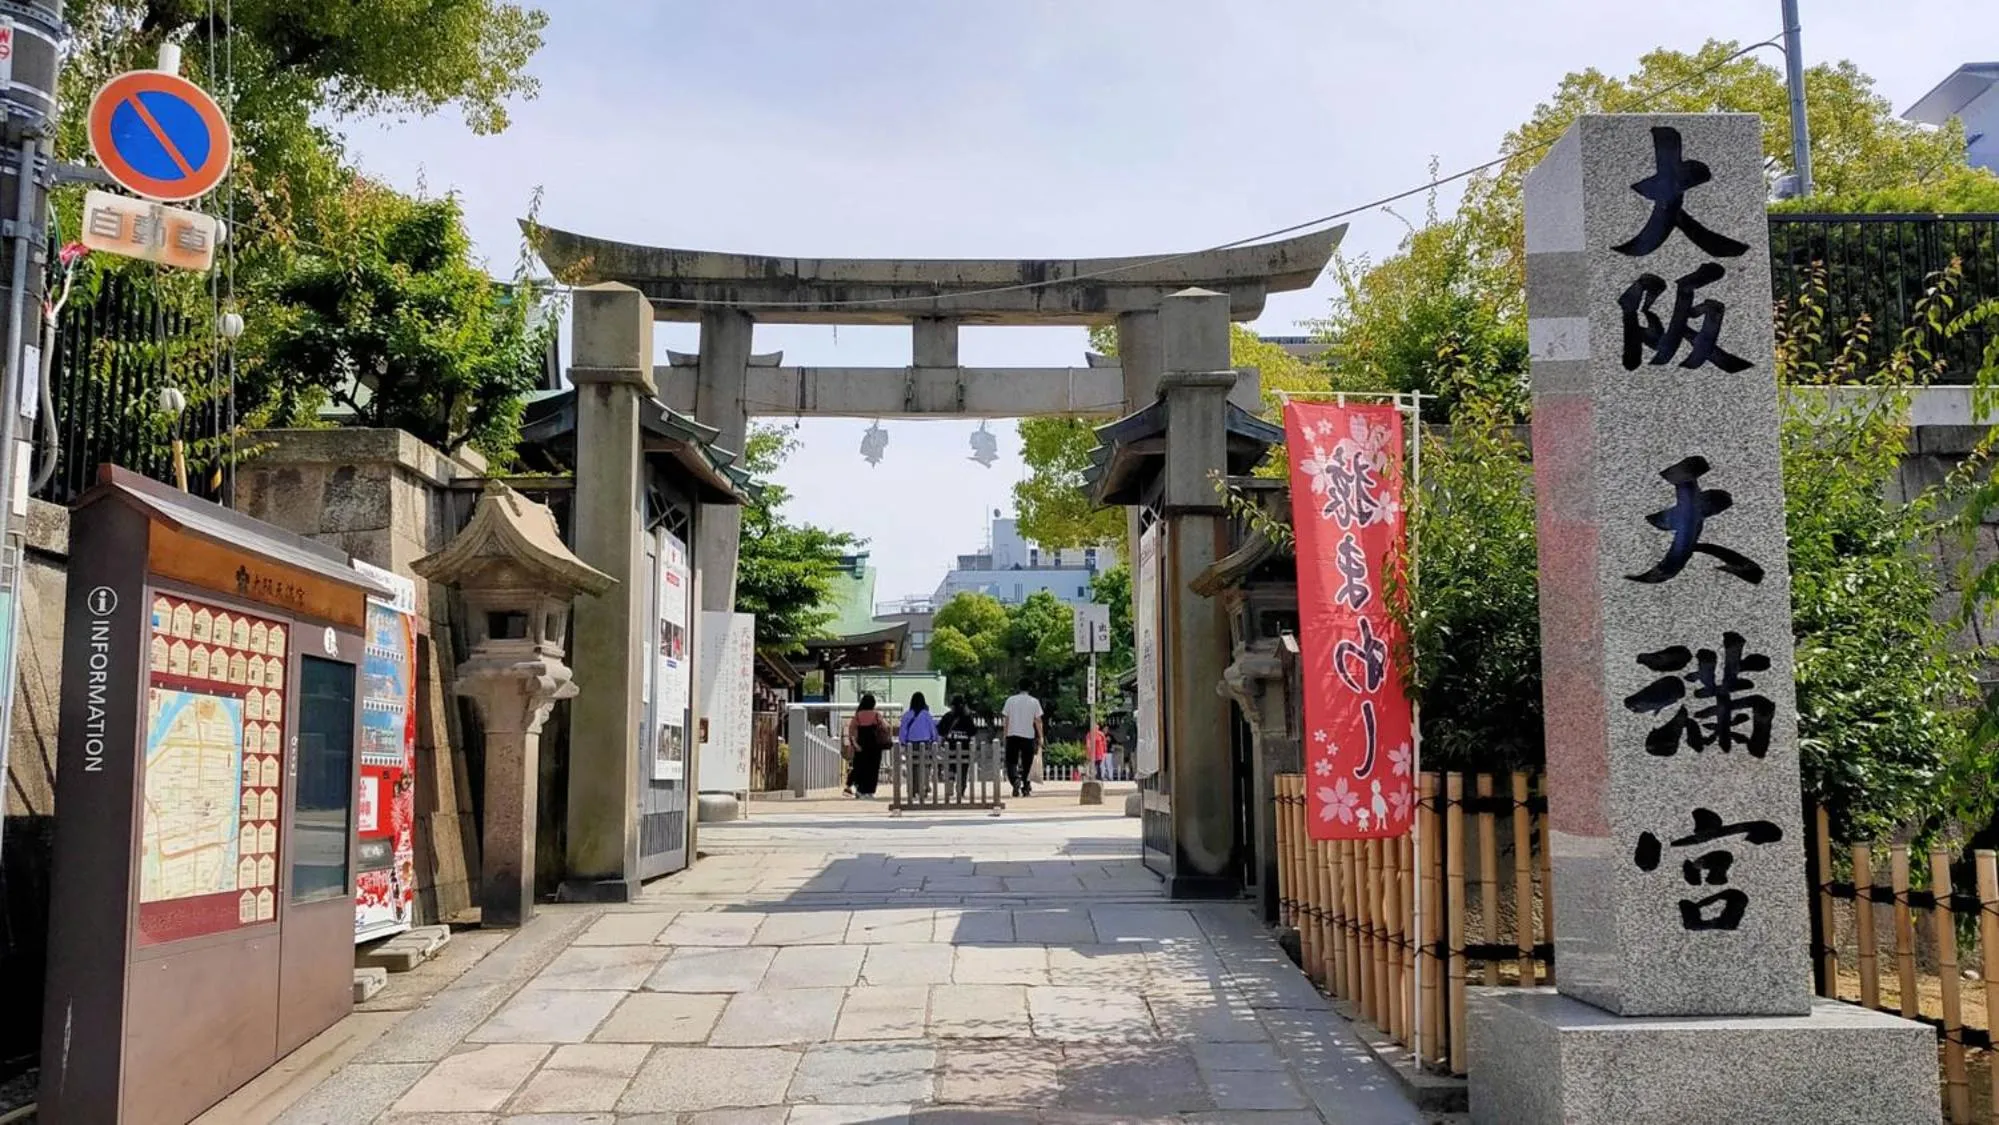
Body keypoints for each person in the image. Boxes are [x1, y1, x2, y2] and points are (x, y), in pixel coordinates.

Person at [1001, 680, 1044, 798]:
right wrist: (1041, 736)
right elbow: (1038, 721)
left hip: (1012, 734)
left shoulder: (1010, 700)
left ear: (1018, 688)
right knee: (1027, 763)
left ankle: (1015, 780)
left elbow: (1006, 720)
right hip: (1028, 736)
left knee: (1011, 761)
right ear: (1029, 689)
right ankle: (1026, 787)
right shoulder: (1034, 701)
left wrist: (1005, 735)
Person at [845, 693, 891, 799]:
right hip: (875, 747)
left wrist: (855, 745)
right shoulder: (876, 715)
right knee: (873, 769)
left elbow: (851, 731)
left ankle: (861, 790)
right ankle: (870, 791)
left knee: (861, 768)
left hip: (861, 746)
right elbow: (885, 727)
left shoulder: (858, 716)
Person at [936, 694, 979, 800]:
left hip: (950, 747)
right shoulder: (967, 718)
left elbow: (940, 730)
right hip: (964, 748)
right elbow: (973, 732)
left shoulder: (947, 716)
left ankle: (950, 781)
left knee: (950, 766)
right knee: (963, 770)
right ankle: (961, 789)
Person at [899, 691, 940, 799]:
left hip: (911, 744)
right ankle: (924, 787)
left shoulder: (907, 715)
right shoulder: (926, 715)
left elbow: (903, 731)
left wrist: (903, 742)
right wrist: (935, 740)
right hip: (925, 743)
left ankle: (912, 789)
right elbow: (933, 730)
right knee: (924, 766)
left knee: (912, 767)